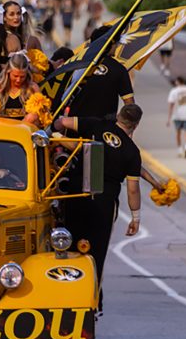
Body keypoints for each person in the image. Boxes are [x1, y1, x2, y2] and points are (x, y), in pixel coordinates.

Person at [53, 105, 158, 303]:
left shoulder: (98, 125)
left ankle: (63, 294)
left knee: (68, 246)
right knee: (95, 253)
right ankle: (91, 299)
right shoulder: (131, 151)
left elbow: (62, 122)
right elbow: (133, 188)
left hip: (76, 195)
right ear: (136, 125)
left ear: (119, 116)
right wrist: (135, 218)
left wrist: (61, 139)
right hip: (104, 202)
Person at [65, 25, 134, 120]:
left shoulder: (77, 64)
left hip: (75, 125)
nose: (117, 46)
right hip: (104, 128)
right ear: (109, 44)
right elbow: (130, 105)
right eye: (116, 43)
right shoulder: (119, 69)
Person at [0, 52, 42, 125]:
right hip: (1, 129)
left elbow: (40, 118)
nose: (18, 80)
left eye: (22, 77)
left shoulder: (32, 88)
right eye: (15, 76)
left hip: (24, 131)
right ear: (8, 72)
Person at [167, 76, 186, 158]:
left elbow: (171, 105)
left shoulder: (174, 91)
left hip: (177, 115)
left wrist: (169, 118)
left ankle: (180, 149)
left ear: (177, 82)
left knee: (178, 133)